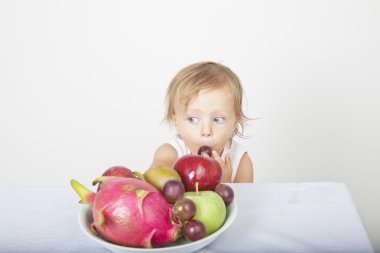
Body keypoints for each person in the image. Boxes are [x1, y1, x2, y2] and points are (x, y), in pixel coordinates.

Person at [149, 61, 254, 183]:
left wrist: (225, 181)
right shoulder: (170, 153)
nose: (206, 131)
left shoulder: (240, 161)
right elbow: (154, 183)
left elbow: (243, 201)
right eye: (193, 119)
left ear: (235, 122)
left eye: (217, 120)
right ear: (176, 121)